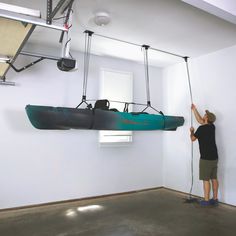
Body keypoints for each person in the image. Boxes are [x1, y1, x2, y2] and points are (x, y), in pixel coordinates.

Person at [190, 104, 219, 206]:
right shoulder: (212, 127)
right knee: (214, 178)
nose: (203, 115)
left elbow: (193, 139)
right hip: (214, 157)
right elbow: (200, 121)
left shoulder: (201, 129)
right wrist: (194, 110)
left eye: (205, 115)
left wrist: (192, 131)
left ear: (207, 118)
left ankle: (206, 200)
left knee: (205, 179)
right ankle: (215, 199)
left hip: (206, 158)